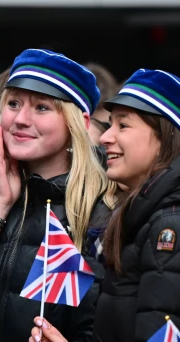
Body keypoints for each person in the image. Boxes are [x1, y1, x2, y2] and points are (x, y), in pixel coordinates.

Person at [0, 49, 116, 342]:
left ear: (80, 123)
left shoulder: (103, 209)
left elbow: (102, 326)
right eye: (13, 103)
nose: (21, 119)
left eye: (41, 108)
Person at [29, 68, 180, 342]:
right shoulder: (140, 214)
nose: (105, 137)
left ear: (165, 138)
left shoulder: (169, 224)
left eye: (123, 125)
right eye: (109, 124)